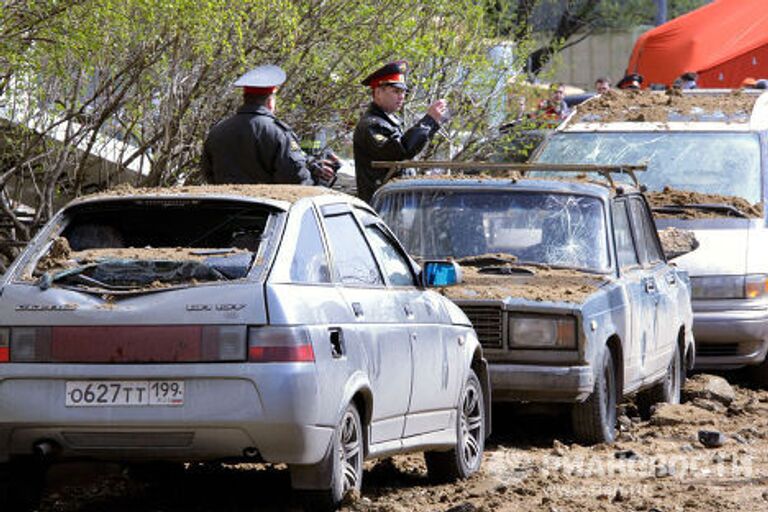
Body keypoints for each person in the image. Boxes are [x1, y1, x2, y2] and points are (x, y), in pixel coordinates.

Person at [202, 64, 336, 186]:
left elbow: (208, 172)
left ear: (245, 97)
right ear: (270, 101)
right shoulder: (279, 133)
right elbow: (294, 179)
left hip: (223, 209)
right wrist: (319, 183)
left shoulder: (218, 131)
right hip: (266, 211)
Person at [353, 60, 447, 203]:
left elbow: (408, 150)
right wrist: (428, 121)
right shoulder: (371, 125)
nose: (401, 96)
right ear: (378, 92)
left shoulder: (389, 120)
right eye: (396, 91)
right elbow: (400, 150)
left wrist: (432, 123)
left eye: (403, 92)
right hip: (380, 205)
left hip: (395, 201)